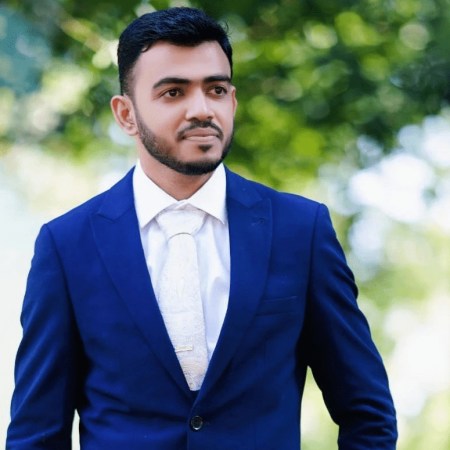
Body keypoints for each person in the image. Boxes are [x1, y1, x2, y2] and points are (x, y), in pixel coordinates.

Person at [6, 7, 397, 450]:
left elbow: (367, 414)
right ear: (126, 114)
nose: (202, 109)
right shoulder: (66, 246)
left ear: (233, 101)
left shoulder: (300, 231)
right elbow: (36, 434)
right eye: (173, 92)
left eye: (216, 90)